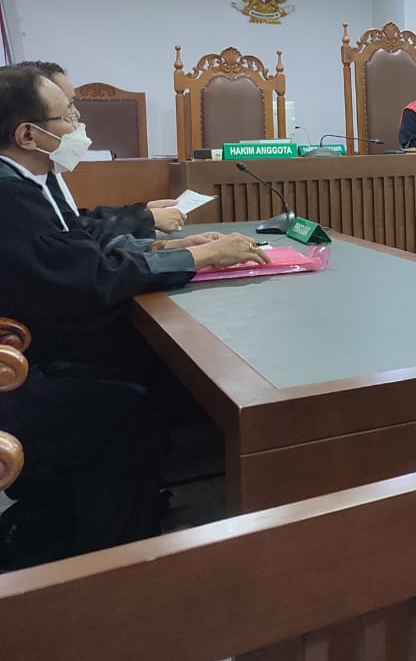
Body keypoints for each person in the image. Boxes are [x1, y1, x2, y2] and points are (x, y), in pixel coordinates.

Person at [0, 67, 265, 568]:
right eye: (68, 115)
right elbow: (88, 278)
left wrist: (171, 247)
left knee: (161, 368)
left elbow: (78, 244)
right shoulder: (9, 194)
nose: (78, 125)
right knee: (135, 399)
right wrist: (201, 257)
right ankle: (112, 565)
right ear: (28, 135)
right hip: (26, 371)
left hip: (44, 343)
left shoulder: (25, 179)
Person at [10, 61, 184, 237]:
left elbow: (74, 220)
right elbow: (74, 241)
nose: (76, 115)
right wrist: (146, 221)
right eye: (68, 108)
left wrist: (141, 211)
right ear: (27, 135)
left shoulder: (42, 171)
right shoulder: (15, 192)